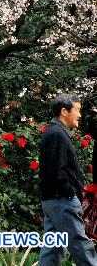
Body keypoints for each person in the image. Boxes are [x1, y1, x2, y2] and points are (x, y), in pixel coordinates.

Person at [38, 95, 97, 266]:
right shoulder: (57, 134)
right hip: (62, 200)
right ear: (64, 111)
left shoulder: (55, 132)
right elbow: (57, 171)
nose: (79, 115)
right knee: (81, 244)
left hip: (53, 200)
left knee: (52, 250)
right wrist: (71, 194)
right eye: (77, 110)